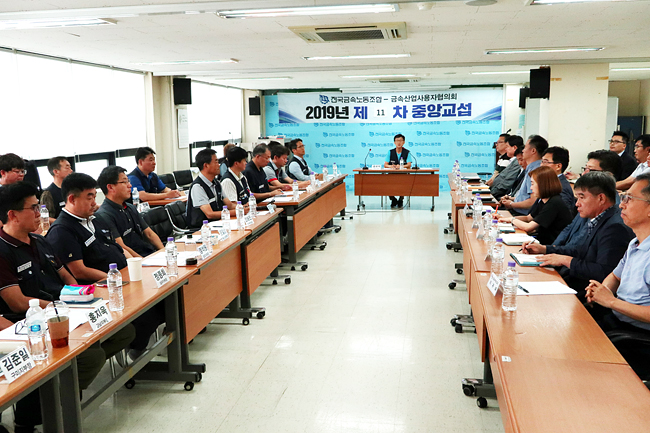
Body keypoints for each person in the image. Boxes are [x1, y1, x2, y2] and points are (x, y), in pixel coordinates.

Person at [0, 182, 135, 433]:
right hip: (34, 323)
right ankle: (40, 410)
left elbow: (66, 276)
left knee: (124, 331)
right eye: (34, 208)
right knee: (91, 357)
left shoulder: (39, 241)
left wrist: (79, 297)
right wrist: (61, 307)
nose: (41, 213)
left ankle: (64, 388)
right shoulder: (3, 250)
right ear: (13, 215)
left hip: (66, 310)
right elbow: (18, 302)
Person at [45, 172, 163, 360]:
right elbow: (79, 270)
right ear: (72, 199)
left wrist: (135, 266)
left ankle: (148, 346)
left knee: (162, 298)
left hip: (121, 277)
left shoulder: (95, 219)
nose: (94, 202)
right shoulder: (62, 230)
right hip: (102, 288)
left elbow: (118, 247)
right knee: (148, 312)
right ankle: (137, 352)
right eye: (89, 197)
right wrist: (114, 279)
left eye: (94, 196)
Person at [522, 172, 633, 298]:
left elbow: (604, 272)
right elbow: (577, 249)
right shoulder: (596, 217)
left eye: (582, 197)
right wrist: (544, 249)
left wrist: (566, 260)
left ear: (601, 198)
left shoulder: (615, 228)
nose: (577, 203)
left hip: (586, 292)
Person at [585, 172, 650, 380]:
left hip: (637, 336)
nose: (622, 205)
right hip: (618, 319)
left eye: (629, 199)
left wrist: (611, 302)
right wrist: (601, 290)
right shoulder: (636, 242)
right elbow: (615, 275)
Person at [536, 150, 622, 250]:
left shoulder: (611, 210)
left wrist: (554, 251)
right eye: (585, 169)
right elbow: (570, 228)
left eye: (590, 170)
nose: (584, 173)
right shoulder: (587, 199)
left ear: (608, 175)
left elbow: (580, 245)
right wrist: (551, 248)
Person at [96, 166, 163, 257]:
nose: (130, 185)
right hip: (135, 261)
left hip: (149, 254)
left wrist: (164, 252)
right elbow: (122, 247)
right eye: (124, 182)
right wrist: (142, 261)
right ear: (110, 187)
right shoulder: (104, 215)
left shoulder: (130, 207)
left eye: (128, 181)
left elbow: (149, 234)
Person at [498, 165, 572, 245]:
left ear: (542, 185)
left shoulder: (554, 203)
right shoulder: (544, 199)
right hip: (543, 242)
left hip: (552, 246)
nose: (531, 188)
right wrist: (505, 219)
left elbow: (528, 227)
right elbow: (528, 218)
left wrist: (511, 220)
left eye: (532, 184)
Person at [185, 148, 238, 229]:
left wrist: (243, 208)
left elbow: (230, 205)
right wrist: (236, 212)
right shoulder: (198, 187)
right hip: (202, 229)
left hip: (218, 224)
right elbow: (210, 214)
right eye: (216, 162)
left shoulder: (216, 183)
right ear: (206, 165)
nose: (219, 165)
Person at [500, 135, 548, 215]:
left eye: (525, 147)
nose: (523, 150)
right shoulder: (530, 167)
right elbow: (525, 196)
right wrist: (511, 199)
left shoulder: (535, 170)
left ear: (533, 151)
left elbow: (533, 201)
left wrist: (511, 204)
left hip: (521, 214)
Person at [541, 146, 575, 212]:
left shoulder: (561, 188)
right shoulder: (549, 182)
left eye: (545, 162)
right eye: (542, 161)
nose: (541, 165)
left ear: (558, 166)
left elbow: (563, 214)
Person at [489, 135, 524, 199]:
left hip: (502, 195)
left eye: (507, 146)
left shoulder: (517, 163)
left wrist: (491, 193)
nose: (506, 149)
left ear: (514, 148)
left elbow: (506, 183)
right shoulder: (511, 160)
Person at [40, 156, 73, 222]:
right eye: (67, 168)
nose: (71, 171)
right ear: (56, 171)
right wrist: (62, 223)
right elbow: (45, 217)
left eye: (70, 167)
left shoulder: (73, 189)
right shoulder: (48, 193)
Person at [384, 134, 413, 208]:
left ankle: (401, 199)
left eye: (400, 141)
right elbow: (385, 165)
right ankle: (393, 199)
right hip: (392, 174)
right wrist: (391, 166)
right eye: (397, 141)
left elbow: (409, 164)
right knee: (386, 184)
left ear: (404, 142)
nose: (399, 142)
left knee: (404, 184)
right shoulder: (390, 152)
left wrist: (401, 166)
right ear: (394, 142)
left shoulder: (407, 152)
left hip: (403, 174)